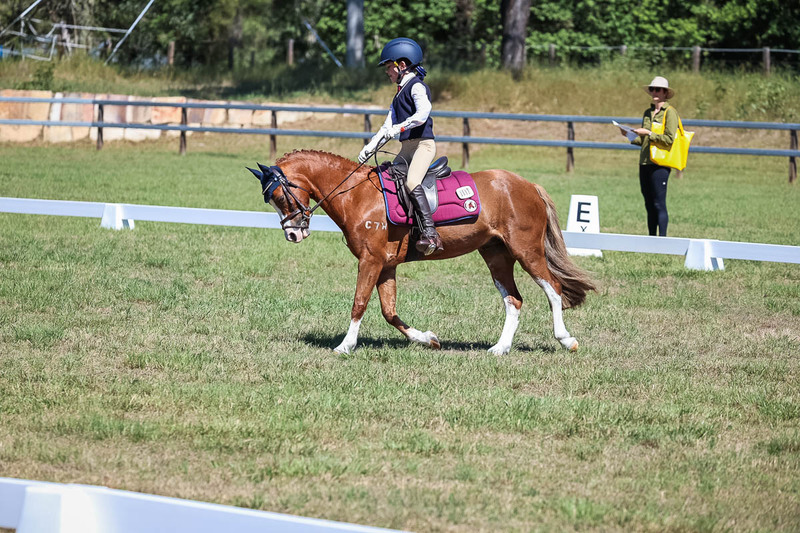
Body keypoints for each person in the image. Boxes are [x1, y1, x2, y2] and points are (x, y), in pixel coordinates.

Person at [358, 37, 443, 255]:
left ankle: (431, 234)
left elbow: (423, 113)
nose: (387, 72)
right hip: (406, 149)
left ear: (402, 65)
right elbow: (387, 126)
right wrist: (370, 148)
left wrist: (402, 127)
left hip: (423, 146)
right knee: (386, 178)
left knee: (412, 181)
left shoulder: (417, 87)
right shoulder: (398, 94)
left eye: (389, 67)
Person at [620, 76, 680, 237]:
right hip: (644, 162)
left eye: (658, 89)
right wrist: (629, 135)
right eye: (652, 89)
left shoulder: (670, 113)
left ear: (665, 93)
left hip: (660, 163)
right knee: (648, 203)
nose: (654, 92)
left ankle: (663, 239)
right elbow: (643, 141)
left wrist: (648, 133)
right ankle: (652, 238)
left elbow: (669, 139)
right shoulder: (647, 113)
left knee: (659, 203)